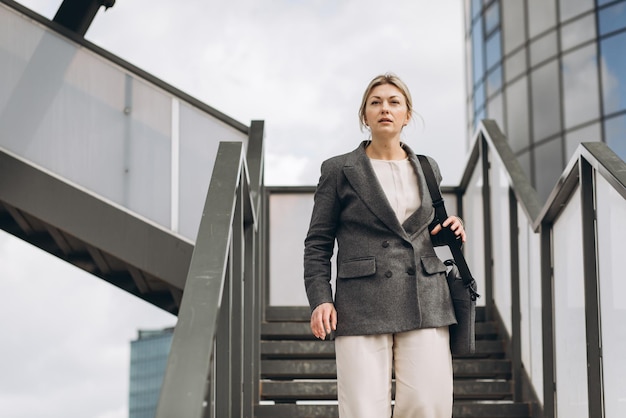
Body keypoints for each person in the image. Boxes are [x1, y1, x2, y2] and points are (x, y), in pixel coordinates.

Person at [303, 73, 466, 418]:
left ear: (408, 114)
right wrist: (321, 298)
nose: (385, 109)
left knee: (428, 404)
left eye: (394, 102)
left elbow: (419, 232)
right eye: (375, 102)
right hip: (361, 302)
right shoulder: (338, 170)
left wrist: (450, 228)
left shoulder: (427, 167)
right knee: (363, 408)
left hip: (426, 296)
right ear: (364, 115)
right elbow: (318, 242)